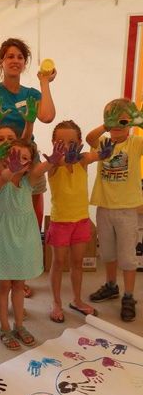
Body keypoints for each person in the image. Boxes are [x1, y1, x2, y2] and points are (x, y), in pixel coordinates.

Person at [0, 38, 57, 296]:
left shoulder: (31, 94)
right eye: (10, 56)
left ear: (25, 62)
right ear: (1, 61)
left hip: (28, 163)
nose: (15, 60)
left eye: (20, 57)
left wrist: (45, 82)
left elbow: (47, 116)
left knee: (25, 220)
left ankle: (18, 276)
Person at [0, 140, 64, 350]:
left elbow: (40, 169)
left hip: (24, 240)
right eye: (14, 156)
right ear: (5, 158)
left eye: (24, 158)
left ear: (29, 164)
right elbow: (3, 179)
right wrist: (11, 170)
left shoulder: (28, 181)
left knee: (18, 286)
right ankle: (4, 328)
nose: (18, 161)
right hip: (6, 241)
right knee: (4, 287)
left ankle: (19, 325)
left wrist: (52, 161)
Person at [46, 120, 114, 323]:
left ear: (79, 143)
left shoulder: (82, 160)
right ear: (53, 143)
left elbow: (95, 155)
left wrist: (104, 154)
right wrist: (61, 159)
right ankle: (56, 302)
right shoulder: (53, 164)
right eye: (61, 142)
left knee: (77, 262)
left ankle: (76, 300)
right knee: (58, 262)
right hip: (60, 222)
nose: (67, 146)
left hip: (81, 221)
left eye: (72, 142)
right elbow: (58, 163)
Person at [86, 98, 143, 322]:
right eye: (112, 119)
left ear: (131, 123)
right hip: (104, 208)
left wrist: (139, 123)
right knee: (108, 253)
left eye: (123, 121)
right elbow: (89, 139)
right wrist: (106, 126)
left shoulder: (135, 143)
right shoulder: (103, 142)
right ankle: (111, 285)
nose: (117, 125)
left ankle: (128, 296)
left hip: (127, 210)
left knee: (128, 257)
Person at [0, 96, 37, 321]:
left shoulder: (22, 169)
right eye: (1, 139)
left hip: (17, 226)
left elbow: (24, 145)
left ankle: (16, 297)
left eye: (10, 139)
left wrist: (29, 123)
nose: (5, 143)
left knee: (16, 265)